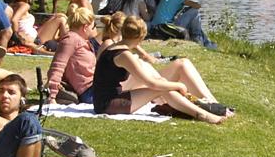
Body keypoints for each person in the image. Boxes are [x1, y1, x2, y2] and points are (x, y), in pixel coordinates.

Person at [91, 17, 231, 123]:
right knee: (162, 87)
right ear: (140, 37)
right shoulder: (124, 55)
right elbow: (152, 84)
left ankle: (204, 108)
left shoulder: (114, 49)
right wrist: (178, 85)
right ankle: (202, 115)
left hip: (104, 100)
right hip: (109, 104)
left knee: (162, 84)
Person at [46, 5, 98, 104]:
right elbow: (57, 66)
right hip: (88, 91)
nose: (94, 29)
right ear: (85, 27)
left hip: (92, 87)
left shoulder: (81, 40)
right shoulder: (70, 40)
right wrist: (52, 95)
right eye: (94, 26)